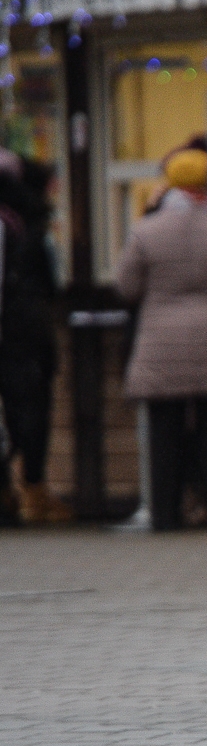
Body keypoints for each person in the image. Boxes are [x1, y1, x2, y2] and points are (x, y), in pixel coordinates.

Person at [115, 148, 207, 531]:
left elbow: (127, 287)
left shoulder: (146, 230)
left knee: (163, 431)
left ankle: (165, 515)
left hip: (161, 340)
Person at [0, 149, 70, 524]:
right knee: (30, 412)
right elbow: (54, 281)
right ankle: (34, 492)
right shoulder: (32, 223)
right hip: (28, 330)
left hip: (13, 327)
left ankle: (7, 494)